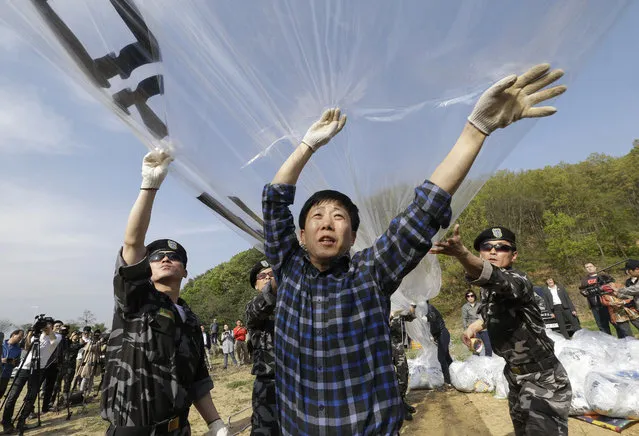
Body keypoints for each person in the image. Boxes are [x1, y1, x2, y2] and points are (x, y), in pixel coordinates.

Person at [263, 64, 566, 435]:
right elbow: (275, 202)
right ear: (301, 235)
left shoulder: (370, 272)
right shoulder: (289, 271)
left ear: (353, 234)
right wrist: (307, 145)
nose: (327, 222)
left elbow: (424, 210)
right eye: (317, 215)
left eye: (339, 216)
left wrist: (478, 128)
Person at [100, 150, 228, 435]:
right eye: (156, 257)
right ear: (147, 268)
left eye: (174, 257)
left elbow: (196, 379)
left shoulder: (190, 319)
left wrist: (215, 422)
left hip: (179, 429)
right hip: (133, 430)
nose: (165, 259)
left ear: (185, 272)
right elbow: (132, 243)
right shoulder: (136, 301)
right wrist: (150, 186)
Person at [431, 225, 572, 434]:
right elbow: (495, 309)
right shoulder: (488, 293)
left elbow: (499, 281)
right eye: (487, 247)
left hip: (542, 378)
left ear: (514, 255)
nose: (493, 251)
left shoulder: (519, 280)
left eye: (502, 248)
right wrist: (475, 325)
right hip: (515, 376)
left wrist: (462, 254)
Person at [2, 318, 61, 434]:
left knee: (31, 397)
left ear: (52, 326)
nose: (45, 327)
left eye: (48, 325)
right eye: (45, 325)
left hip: (38, 369)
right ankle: (6, 422)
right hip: (24, 368)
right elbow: (27, 347)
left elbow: (53, 341)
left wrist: (48, 330)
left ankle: (21, 421)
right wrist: (29, 335)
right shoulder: (37, 335)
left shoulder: (57, 336)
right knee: (12, 396)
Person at [246, 260, 279, 435]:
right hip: (269, 382)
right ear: (255, 284)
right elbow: (258, 310)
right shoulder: (253, 306)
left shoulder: (293, 303)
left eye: (272, 274)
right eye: (262, 276)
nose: (267, 278)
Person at [579, 262, 617, 336]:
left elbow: (612, 284)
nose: (589, 268)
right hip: (595, 306)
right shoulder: (584, 280)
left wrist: (602, 288)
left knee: (615, 323)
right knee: (602, 326)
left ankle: (623, 340)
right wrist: (586, 292)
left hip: (608, 304)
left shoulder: (603, 276)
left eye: (590, 266)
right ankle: (609, 343)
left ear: (595, 267)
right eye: (587, 267)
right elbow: (582, 290)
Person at [426, 303, 453, 386]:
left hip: (442, 334)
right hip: (439, 335)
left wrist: (426, 318)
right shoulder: (427, 309)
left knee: (441, 358)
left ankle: (447, 381)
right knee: (447, 357)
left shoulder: (429, 308)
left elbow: (433, 319)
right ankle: (454, 376)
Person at [461, 290, 492, 356]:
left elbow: (485, 316)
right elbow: (464, 319)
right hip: (473, 330)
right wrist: (466, 330)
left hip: (483, 328)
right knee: (475, 348)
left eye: (472, 295)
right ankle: (476, 363)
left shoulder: (480, 305)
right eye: (468, 296)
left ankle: (489, 361)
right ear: (466, 297)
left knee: (488, 346)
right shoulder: (465, 307)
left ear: (474, 296)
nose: (470, 297)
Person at [0, 330, 24, 400]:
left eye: (22, 337)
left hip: (6, 375)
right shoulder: (2, 345)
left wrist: (14, 363)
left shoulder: (18, 350)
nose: (21, 338)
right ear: (13, 335)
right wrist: (2, 360)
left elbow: (17, 363)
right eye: (20, 336)